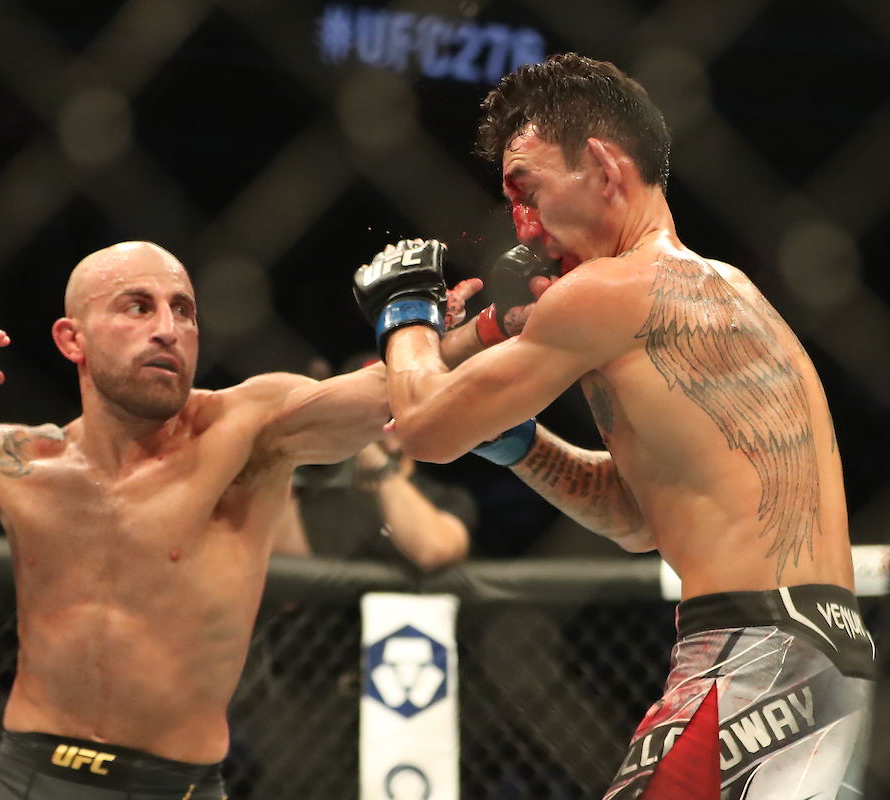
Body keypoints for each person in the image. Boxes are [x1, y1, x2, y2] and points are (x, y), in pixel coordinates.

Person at [353, 54, 873, 800]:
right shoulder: (734, 294)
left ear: (602, 166)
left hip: (750, 656)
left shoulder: (608, 290)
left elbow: (424, 429)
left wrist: (405, 312)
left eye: (527, 191)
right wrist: (521, 445)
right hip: (828, 660)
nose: (523, 226)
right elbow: (637, 518)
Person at [0, 241, 391, 800]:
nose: (168, 329)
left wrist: (426, 320)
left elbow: (397, 398)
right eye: (137, 307)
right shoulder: (16, 461)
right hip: (25, 781)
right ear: (72, 339)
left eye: (183, 311)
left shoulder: (246, 429)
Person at [272, 355, 474, 571]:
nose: (388, 416)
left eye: (397, 404)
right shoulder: (319, 490)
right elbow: (281, 561)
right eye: (373, 407)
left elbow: (434, 551)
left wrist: (377, 462)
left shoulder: (446, 498)